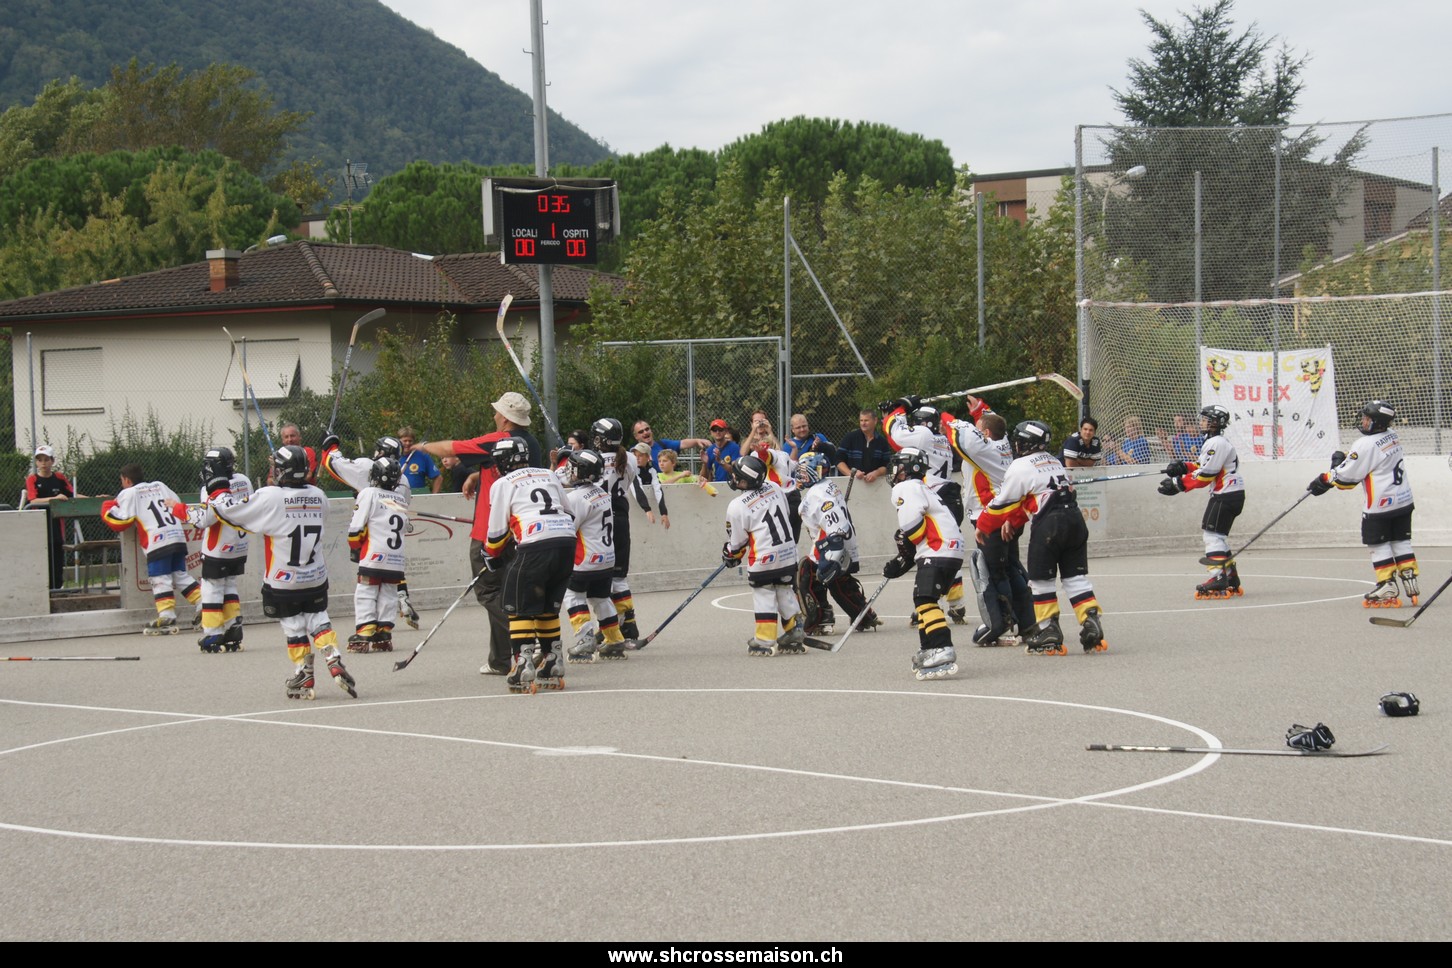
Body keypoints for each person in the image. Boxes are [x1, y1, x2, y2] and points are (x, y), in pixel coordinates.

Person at [191, 445, 355, 700]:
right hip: (315, 576)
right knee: (317, 617)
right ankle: (332, 654)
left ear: (282, 471)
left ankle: (303, 670)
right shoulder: (320, 496)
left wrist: (217, 486)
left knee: (293, 625)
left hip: (283, 578)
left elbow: (229, 513)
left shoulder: (270, 496)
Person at [416, 391, 538, 676]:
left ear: (505, 418)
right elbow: (506, 471)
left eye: (497, 412)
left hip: (489, 531)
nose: (494, 415)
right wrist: (476, 475)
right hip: (520, 528)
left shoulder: (498, 440)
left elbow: (451, 449)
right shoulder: (530, 443)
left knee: (488, 591)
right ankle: (500, 660)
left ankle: (526, 640)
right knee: (507, 591)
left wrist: (423, 446)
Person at [977, 420, 1107, 656]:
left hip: (1050, 525)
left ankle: (1048, 630)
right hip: (1075, 520)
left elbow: (1002, 503)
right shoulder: (1054, 461)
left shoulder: (1020, 465)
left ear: (1026, 443)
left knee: (1040, 580)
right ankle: (1090, 620)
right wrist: (1014, 521)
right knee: (1075, 577)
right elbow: (1036, 498)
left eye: (1019, 441)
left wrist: (983, 525)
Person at [483, 436, 576, 694]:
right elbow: (569, 513)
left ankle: (523, 666)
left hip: (536, 545)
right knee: (547, 608)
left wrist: (490, 555)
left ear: (503, 461)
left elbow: (495, 535)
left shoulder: (503, 483)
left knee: (518, 608)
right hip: (566, 542)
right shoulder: (548, 474)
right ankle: (552, 663)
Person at [942, 396, 1036, 646]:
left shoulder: (984, 449)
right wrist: (979, 410)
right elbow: (991, 422)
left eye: (979, 427)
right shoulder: (1001, 441)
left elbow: (960, 434)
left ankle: (1003, 623)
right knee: (1011, 567)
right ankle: (1028, 622)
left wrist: (940, 415)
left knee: (995, 572)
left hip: (992, 518)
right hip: (1008, 516)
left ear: (984, 434)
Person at [1307, 399, 1418, 607]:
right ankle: (1410, 577)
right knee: (1400, 540)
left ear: (1377, 422)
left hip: (1381, 504)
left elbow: (1347, 479)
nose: (1364, 421)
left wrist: (1325, 478)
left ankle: (1387, 584)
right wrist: (1348, 458)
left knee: (1377, 544)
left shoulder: (1365, 444)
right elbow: (1370, 459)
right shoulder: (1392, 435)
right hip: (1403, 500)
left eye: (1367, 419)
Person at [881, 447, 965, 680]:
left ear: (908, 468)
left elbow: (914, 530)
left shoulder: (906, 487)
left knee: (924, 599)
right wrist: (903, 558)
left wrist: (904, 549)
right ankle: (928, 647)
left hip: (938, 549)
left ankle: (942, 647)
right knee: (925, 600)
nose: (893, 471)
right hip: (949, 550)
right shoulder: (923, 487)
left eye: (897, 466)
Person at [320, 433, 419, 629]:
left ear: (381, 452)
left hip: (370, 536)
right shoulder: (404, 480)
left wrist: (331, 445)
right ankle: (398, 601)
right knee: (389, 574)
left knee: (368, 584)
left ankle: (367, 624)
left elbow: (333, 463)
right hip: (393, 539)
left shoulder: (368, 466)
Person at [1157, 404, 1246, 599]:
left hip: (1226, 493)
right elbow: (1201, 465)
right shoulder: (1214, 442)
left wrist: (1178, 484)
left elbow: (1206, 475)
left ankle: (1218, 577)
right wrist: (1183, 467)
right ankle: (1230, 577)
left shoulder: (1217, 443)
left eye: (1205, 419)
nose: (1201, 422)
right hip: (1230, 493)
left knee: (1212, 536)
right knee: (1218, 536)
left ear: (1215, 423)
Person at [102, 463, 201, 634]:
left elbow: (119, 521)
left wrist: (106, 505)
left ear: (126, 480)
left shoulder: (129, 493)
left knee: (159, 577)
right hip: (177, 535)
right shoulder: (160, 485)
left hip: (157, 540)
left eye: (121, 481)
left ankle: (167, 616)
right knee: (179, 574)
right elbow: (177, 503)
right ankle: (205, 603)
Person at [722, 453, 805, 656]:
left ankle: (764, 640)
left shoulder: (737, 505)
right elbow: (785, 515)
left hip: (764, 558)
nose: (734, 478)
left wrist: (731, 555)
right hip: (788, 554)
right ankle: (794, 630)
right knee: (784, 588)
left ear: (744, 481)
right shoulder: (775, 487)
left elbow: (738, 541)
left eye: (736, 475)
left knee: (764, 592)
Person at [559, 448, 632, 662]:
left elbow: (569, 529)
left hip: (585, 559)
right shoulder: (602, 492)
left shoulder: (575, 498)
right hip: (606, 558)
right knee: (601, 598)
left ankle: (585, 638)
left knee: (573, 595)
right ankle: (614, 640)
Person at [177, 446, 251, 653]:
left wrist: (179, 510)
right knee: (229, 585)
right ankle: (233, 626)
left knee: (211, 588)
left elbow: (206, 519)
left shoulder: (210, 488)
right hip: (239, 545)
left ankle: (213, 632)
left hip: (218, 547)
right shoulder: (244, 480)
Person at [795, 453, 879, 635]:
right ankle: (864, 614)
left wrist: (833, 550)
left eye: (804, 471)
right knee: (840, 583)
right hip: (840, 540)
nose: (800, 475)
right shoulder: (826, 485)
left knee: (807, 574)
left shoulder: (817, 494)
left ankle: (820, 618)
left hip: (830, 542)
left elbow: (834, 521)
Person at [346, 456, 411, 653]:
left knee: (366, 591)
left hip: (374, 554)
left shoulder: (368, 493)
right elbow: (406, 527)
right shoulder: (401, 499)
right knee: (389, 593)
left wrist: (355, 545)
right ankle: (384, 633)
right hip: (396, 558)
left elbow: (356, 528)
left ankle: (365, 631)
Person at [25, 445, 90, 590]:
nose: (43, 463)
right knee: (43, 556)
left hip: (56, 525)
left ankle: (57, 588)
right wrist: (54, 499)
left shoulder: (59, 477)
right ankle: (44, 589)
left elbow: (72, 494)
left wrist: (92, 499)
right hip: (39, 525)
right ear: (36, 462)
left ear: (52, 461)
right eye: (40, 460)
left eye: (46, 459)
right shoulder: (32, 479)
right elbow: (33, 500)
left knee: (57, 555)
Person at [835, 410, 892, 485]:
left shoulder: (882, 442)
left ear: (875, 421)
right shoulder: (850, 438)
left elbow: (887, 466)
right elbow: (838, 461)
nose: (863, 423)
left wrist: (876, 473)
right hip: (850, 484)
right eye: (861, 420)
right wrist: (852, 474)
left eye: (866, 420)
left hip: (874, 485)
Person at [632, 420, 708, 471]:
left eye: (647, 429)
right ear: (636, 436)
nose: (645, 432)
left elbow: (682, 443)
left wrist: (697, 441)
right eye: (641, 432)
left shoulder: (662, 444)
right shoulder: (633, 452)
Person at [398, 426, 443, 493]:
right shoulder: (392, 456)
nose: (407, 443)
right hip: (398, 495)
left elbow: (438, 478)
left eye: (410, 441)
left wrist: (434, 496)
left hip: (418, 495)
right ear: (399, 441)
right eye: (405, 441)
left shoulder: (422, 456)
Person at [701, 419, 741, 484]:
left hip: (732, 484)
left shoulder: (734, 447)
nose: (717, 432)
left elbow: (735, 471)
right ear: (711, 433)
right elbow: (704, 477)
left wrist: (720, 461)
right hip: (716, 485)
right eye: (714, 430)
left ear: (726, 431)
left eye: (720, 429)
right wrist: (704, 464)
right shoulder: (709, 450)